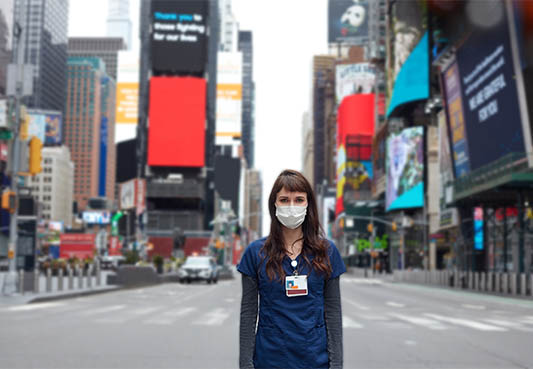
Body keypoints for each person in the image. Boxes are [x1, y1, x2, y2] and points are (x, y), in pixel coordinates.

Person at [238, 169, 346, 369]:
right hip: (269, 359)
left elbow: (333, 314)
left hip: (315, 360)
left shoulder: (327, 252)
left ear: (308, 204)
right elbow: (248, 314)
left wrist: (337, 365)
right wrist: (245, 365)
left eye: (298, 200)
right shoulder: (255, 253)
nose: (291, 206)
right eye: (284, 200)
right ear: (274, 204)